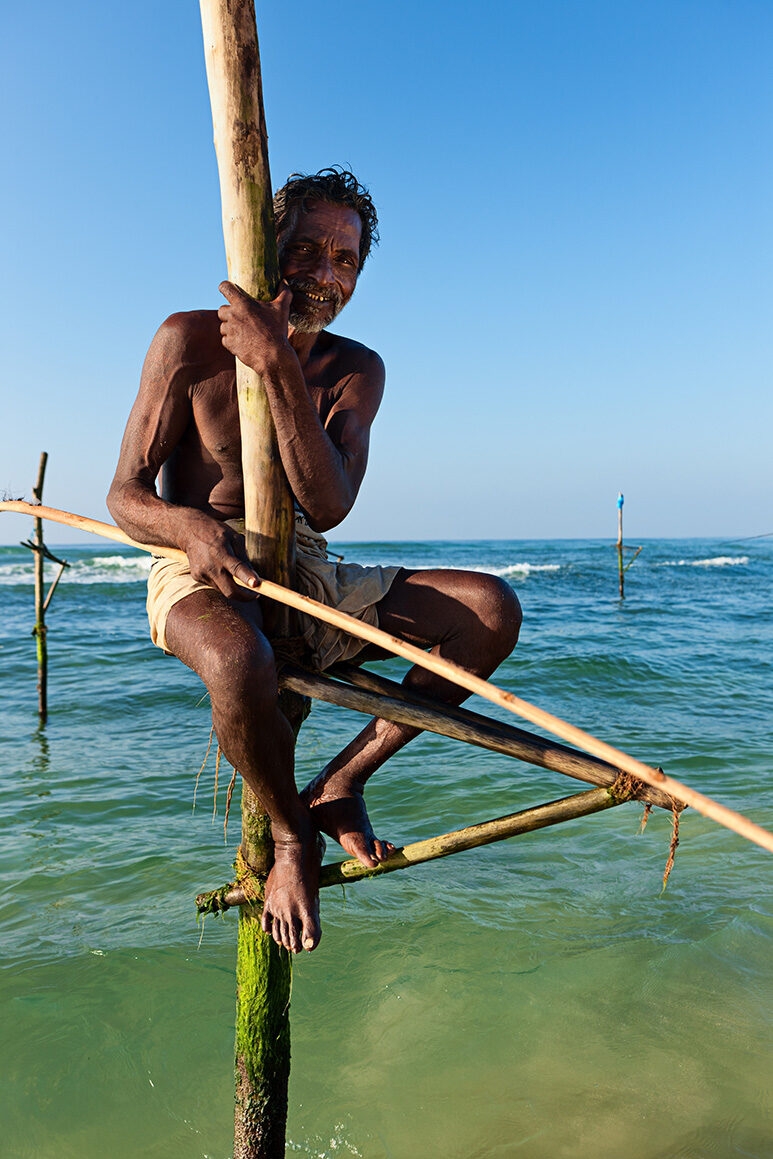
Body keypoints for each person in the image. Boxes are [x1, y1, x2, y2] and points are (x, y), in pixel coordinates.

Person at [108, 167, 522, 954]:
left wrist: (278, 364)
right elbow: (124, 496)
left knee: (490, 610)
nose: (325, 275)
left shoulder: (355, 367)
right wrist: (191, 529)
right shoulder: (186, 339)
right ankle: (293, 836)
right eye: (306, 250)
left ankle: (341, 781)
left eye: (345, 260)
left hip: (306, 562)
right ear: (265, 247)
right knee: (238, 658)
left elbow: (328, 506)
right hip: (194, 555)